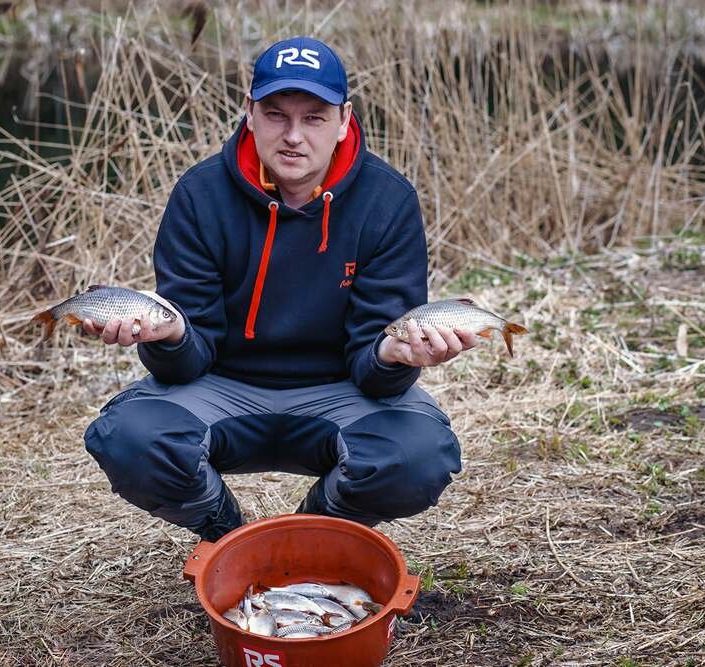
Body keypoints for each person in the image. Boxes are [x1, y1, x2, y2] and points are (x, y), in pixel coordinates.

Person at [82, 36, 478, 541]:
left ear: (343, 120)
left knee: (419, 455)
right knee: (129, 439)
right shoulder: (200, 195)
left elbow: (376, 374)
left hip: (343, 390)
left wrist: (395, 357)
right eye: (275, 114)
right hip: (220, 385)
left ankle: (311, 537)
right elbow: (185, 364)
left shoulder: (388, 200)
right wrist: (173, 335)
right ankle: (229, 541)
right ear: (249, 112)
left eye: (313, 117)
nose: (293, 136)